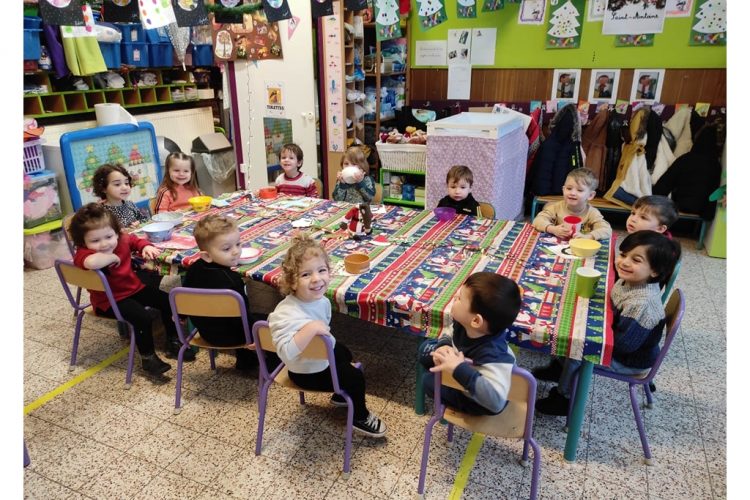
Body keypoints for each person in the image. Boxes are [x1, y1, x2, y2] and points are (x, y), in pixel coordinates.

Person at [535, 231, 681, 415]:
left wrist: (593, 329)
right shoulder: (630, 281)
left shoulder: (641, 303)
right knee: (568, 327)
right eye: (623, 254)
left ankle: (564, 398)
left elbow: (623, 345)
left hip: (630, 360)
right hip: (621, 342)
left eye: (636, 260)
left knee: (576, 349)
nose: (624, 262)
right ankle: (559, 370)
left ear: (655, 271)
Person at [268, 233, 387, 438]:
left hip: (318, 359)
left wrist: (317, 331)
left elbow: (324, 332)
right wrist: (311, 328)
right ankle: (360, 416)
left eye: (322, 270)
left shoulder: (321, 300)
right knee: (356, 378)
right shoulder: (285, 313)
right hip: (305, 373)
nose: (316, 279)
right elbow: (287, 354)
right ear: (292, 282)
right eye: (305, 275)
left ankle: (339, 395)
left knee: (344, 352)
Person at [68, 203, 195, 377]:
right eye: (95, 241)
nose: (104, 244)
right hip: (109, 301)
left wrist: (144, 246)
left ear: (117, 232)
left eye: (108, 236)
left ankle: (173, 341)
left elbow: (135, 240)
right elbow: (90, 263)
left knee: (168, 301)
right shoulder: (84, 254)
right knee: (142, 317)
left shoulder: (121, 239)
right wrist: (111, 256)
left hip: (134, 289)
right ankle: (148, 358)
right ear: (83, 242)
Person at [183, 215, 280, 372]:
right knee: (271, 322)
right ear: (206, 255)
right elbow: (243, 317)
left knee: (232, 317)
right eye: (227, 249)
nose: (236, 252)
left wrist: (180, 316)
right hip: (233, 335)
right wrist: (255, 336)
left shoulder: (193, 268)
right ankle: (272, 367)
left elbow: (184, 295)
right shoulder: (232, 280)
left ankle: (246, 363)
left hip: (205, 332)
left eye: (238, 244)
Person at [418, 272, 522, 415]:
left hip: (481, 400)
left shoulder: (494, 355)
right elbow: (449, 332)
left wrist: (458, 369)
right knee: (424, 350)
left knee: (428, 381)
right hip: (462, 366)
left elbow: (496, 403)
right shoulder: (463, 322)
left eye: (460, 298)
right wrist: (444, 346)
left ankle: (459, 394)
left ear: (476, 321)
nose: (455, 298)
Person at [532, 167, 612, 240]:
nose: (572, 193)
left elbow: (607, 230)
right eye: (569, 188)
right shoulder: (555, 207)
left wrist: (589, 236)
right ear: (563, 190)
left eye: (579, 190)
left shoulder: (592, 213)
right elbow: (537, 220)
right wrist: (553, 229)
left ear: (590, 195)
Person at [92, 163, 149, 228]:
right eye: (117, 184)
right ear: (103, 188)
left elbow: (144, 219)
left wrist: (139, 223)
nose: (125, 187)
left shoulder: (130, 205)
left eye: (126, 183)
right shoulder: (101, 212)